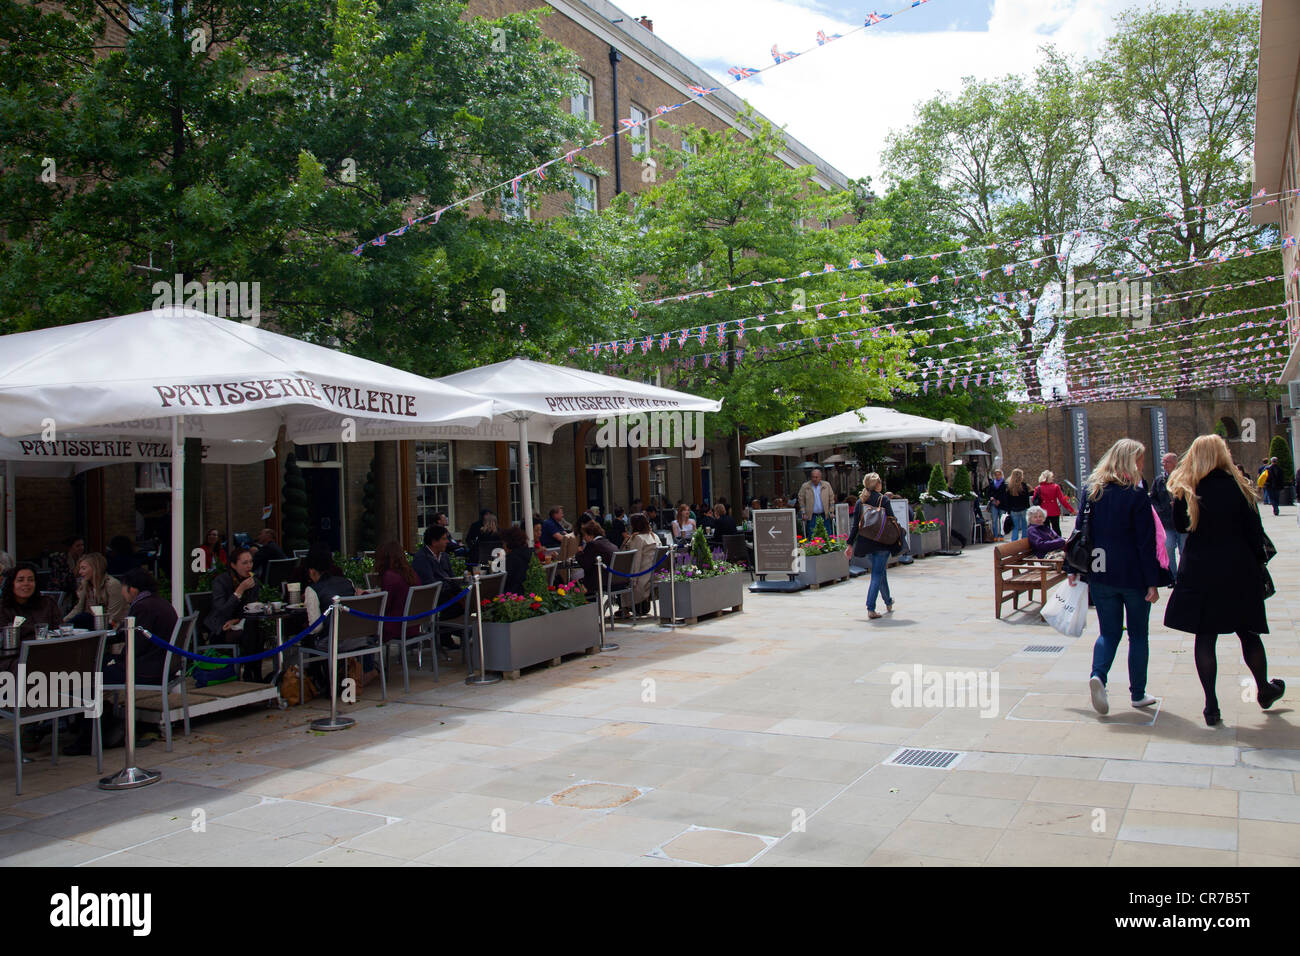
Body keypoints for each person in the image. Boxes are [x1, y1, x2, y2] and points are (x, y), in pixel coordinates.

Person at [1165, 435, 1284, 726]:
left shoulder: (1187, 489)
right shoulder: (1239, 486)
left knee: (1205, 637)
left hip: (1200, 570)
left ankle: (1211, 706)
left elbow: (1180, 526)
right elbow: (1255, 532)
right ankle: (1264, 690)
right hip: (1238, 569)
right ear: (1223, 455)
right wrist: (1259, 563)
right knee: (1248, 633)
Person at [1071, 439, 1160, 716]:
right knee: (1138, 635)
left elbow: (1079, 531)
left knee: (1108, 632)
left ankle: (1099, 675)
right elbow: (1146, 542)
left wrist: (1074, 569)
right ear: (1132, 462)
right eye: (1141, 460)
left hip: (1100, 571)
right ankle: (1138, 694)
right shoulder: (1136, 494)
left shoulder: (1091, 491)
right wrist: (1153, 581)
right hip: (1133, 574)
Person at [206, 547, 264, 681]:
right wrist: (239, 591)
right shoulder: (221, 581)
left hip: (242, 624)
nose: (249, 566)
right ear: (233, 565)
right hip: (221, 628)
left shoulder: (252, 581)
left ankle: (253, 673)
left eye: (250, 562)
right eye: (244, 563)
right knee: (254, 633)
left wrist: (237, 619)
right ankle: (252, 675)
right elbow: (222, 610)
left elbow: (250, 607)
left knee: (257, 632)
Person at [845, 474, 898, 620]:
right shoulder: (883, 499)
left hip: (866, 543)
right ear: (878, 485)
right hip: (882, 542)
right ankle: (871, 608)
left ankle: (888, 601)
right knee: (876, 574)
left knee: (880, 572)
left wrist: (849, 544)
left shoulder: (860, 502)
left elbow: (855, 526)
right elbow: (892, 519)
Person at [0, 562, 64, 644]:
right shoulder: (3, 607)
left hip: (48, 649)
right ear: (12, 584)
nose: (26, 584)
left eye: (30, 580)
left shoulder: (48, 603)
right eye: (20, 580)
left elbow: (59, 631)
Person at [65, 552, 128, 627]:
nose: (80, 572)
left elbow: (114, 615)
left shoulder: (112, 584)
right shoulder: (85, 584)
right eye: (80, 568)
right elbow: (78, 608)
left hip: (111, 626)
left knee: (83, 617)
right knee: (80, 618)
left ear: (95, 568)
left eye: (83, 568)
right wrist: (63, 623)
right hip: (95, 623)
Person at [1149, 452, 1185, 578]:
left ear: (1175, 463)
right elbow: (1152, 498)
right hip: (1167, 522)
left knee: (1183, 550)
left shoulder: (1184, 478)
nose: (1164, 464)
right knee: (1169, 547)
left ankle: (1182, 576)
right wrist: (1161, 509)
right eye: (1163, 462)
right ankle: (1173, 576)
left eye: (1167, 462)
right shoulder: (1159, 480)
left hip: (1183, 521)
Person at [373, 541, 418, 644]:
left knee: (360, 626)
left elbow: (383, 606)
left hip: (395, 627)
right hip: (413, 625)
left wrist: (363, 595)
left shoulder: (390, 576)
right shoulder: (411, 573)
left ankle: (365, 659)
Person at [625, 513, 660, 616]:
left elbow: (635, 561)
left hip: (642, 578)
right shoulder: (655, 536)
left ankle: (624, 609)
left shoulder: (637, 539)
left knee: (619, 581)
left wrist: (633, 580)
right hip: (654, 575)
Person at [576, 519, 616, 598]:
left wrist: (579, 553)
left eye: (584, 535)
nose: (584, 538)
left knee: (574, 584)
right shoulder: (608, 543)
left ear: (590, 534)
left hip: (601, 582)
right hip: (616, 580)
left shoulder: (592, 544)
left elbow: (585, 564)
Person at [1032, 470, 1075, 535]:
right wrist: (1071, 510)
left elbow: (1033, 500)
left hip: (1043, 511)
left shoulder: (1038, 488)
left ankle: (1047, 543)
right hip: (1054, 510)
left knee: (1045, 530)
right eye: (1052, 477)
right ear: (1049, 478)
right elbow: (1062, 500)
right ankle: (1058, 542)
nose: (1053, 478)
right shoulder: (1055, 487)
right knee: (1056, 529)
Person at [797, 469, 833, 539]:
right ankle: (812, 548)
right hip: (812, 515)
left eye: (816, 477)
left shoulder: (826, 485)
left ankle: (828, 547)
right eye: (813, 477)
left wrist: (831, 511)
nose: (814, 479)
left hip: (824, 514)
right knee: (812, 533)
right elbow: (801, 499)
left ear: (820, 477)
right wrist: (803, 512)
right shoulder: (805, 486)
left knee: (827, 533)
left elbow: (831, 499)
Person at [502, 526, 534, 595]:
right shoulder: (531, 553)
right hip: (531, 594)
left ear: (508, 543)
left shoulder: (511, 559)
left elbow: (501, 580)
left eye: (503, 543)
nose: (503, 546)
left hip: (514, 597)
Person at [1004, 469, 1031, 542]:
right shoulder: (1024, 486)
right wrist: (1027, 507)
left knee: (1015, 527)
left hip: (1013, 509)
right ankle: (1024, 541)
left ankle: (1014, 541)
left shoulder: (1009, 487)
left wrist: (1008, 510)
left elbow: (1007, 500)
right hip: (1023, 508)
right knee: (1024, 527)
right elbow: (1026, 498)